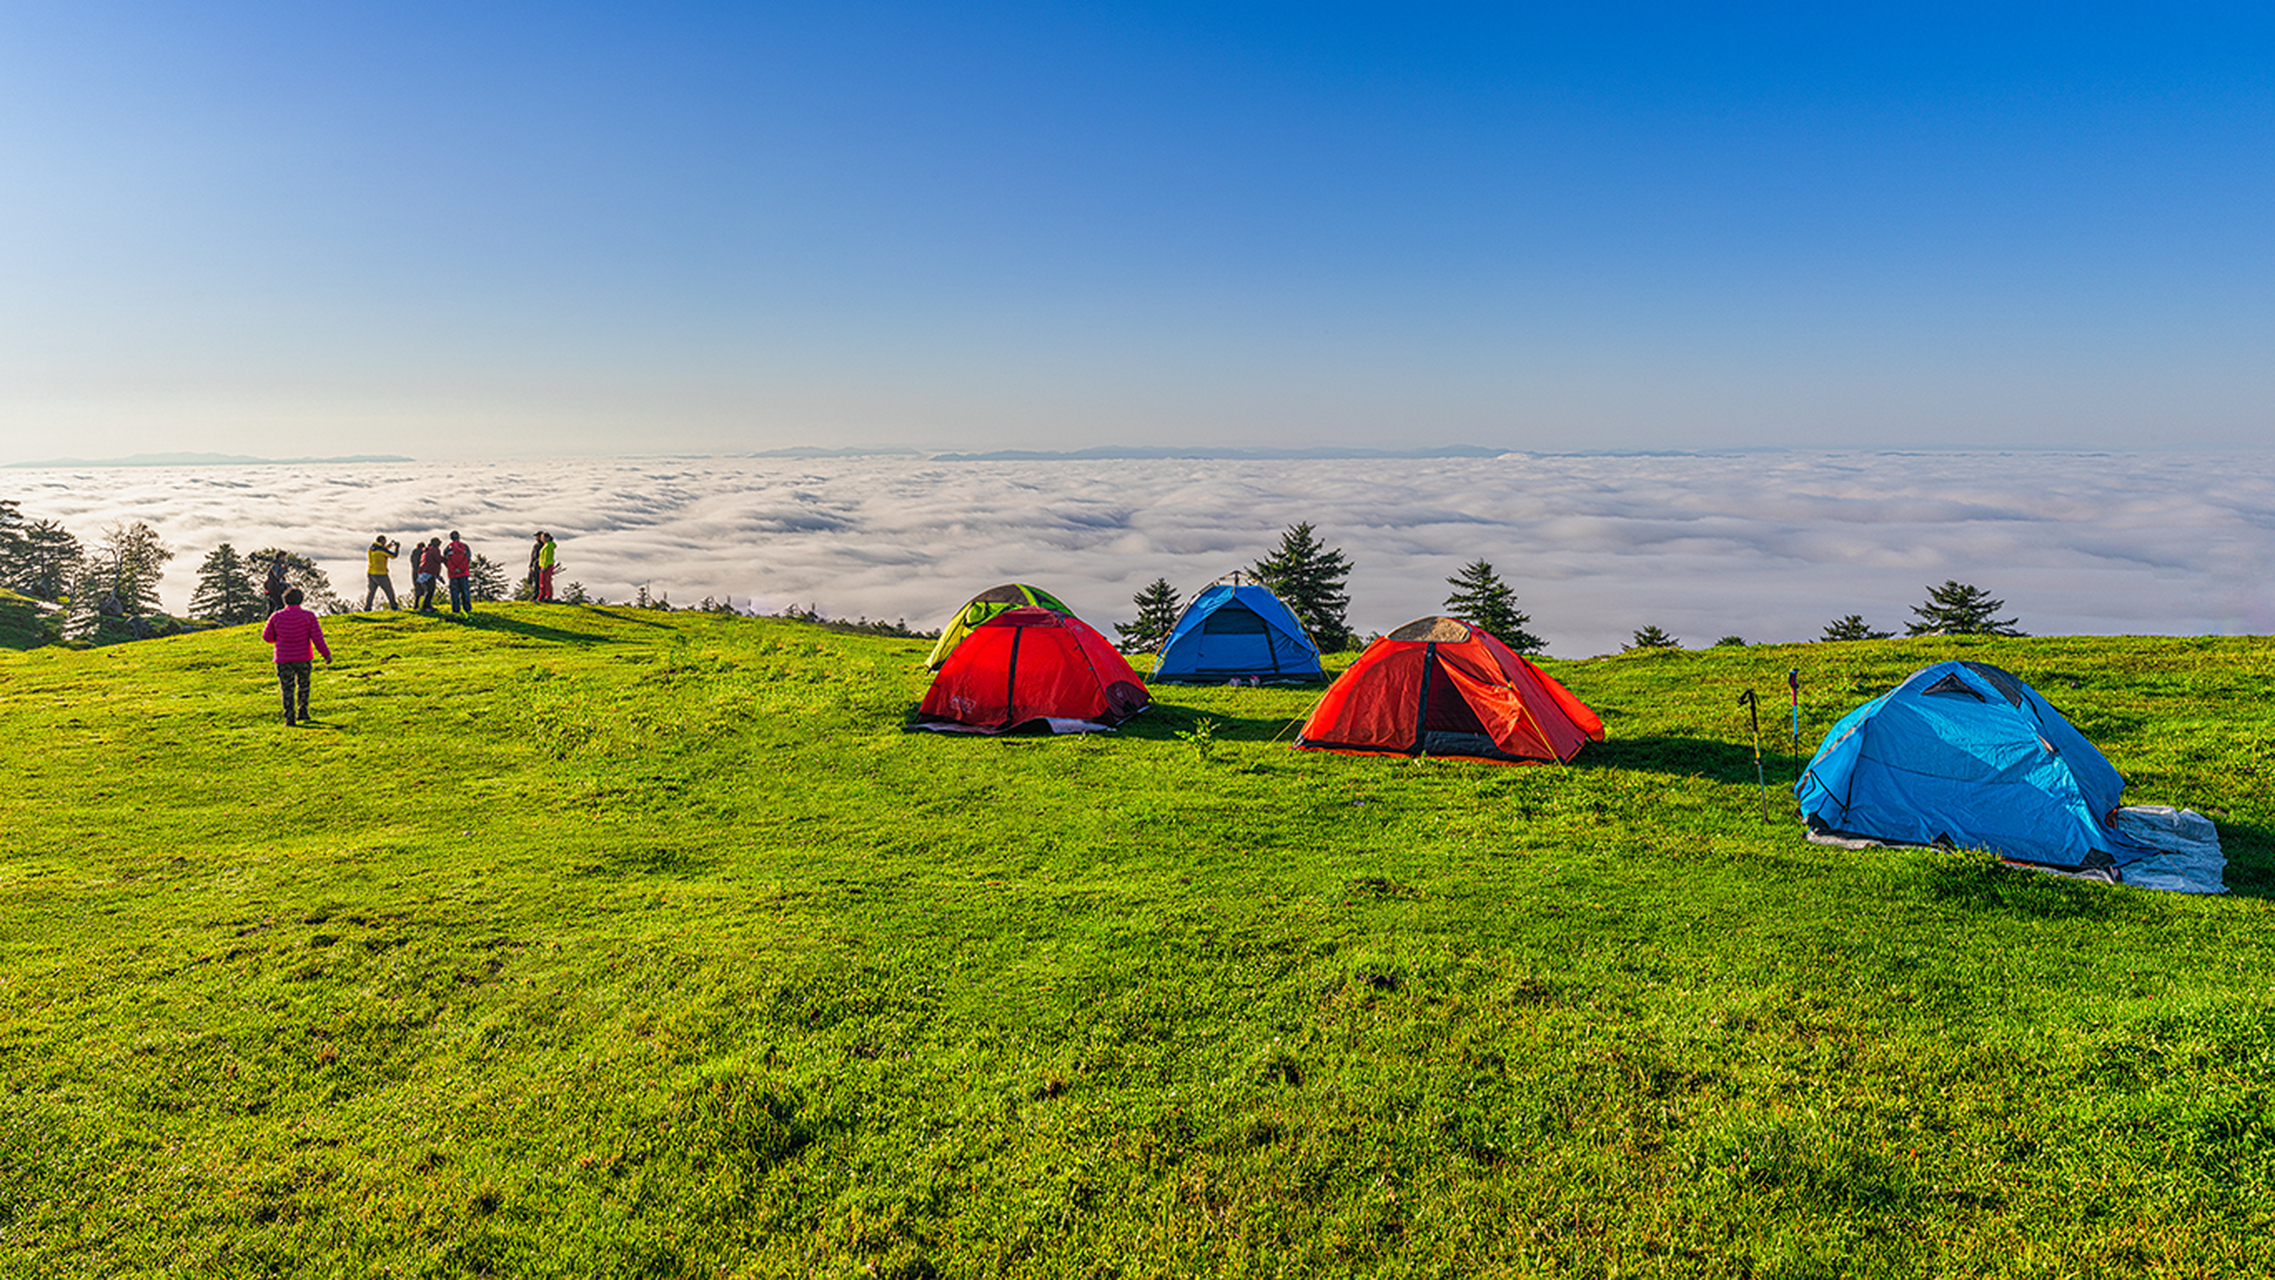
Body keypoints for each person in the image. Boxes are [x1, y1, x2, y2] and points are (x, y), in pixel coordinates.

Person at [261, 586, 331, 726]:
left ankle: (289, 718)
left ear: (284, 601)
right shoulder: (309, 616)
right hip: (303, 657)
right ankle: (303, 712)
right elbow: (317, 638)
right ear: (301, 600)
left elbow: (267, 637)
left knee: (287, 688)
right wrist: (326, 654)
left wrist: (279, 639)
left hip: (283, 658)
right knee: (303, 685)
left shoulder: (276, 616)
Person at [364, 533, 401, 610]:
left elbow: (382, 550)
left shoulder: (371, 548)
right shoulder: (382, 550)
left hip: (371, 573)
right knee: (389, 591)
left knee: (371, 592)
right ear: (382, 541)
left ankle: (367, 608)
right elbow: (393, 555)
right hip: (381, 574)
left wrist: (389, 545)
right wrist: (397, 547)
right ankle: (394, 606)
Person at [444, 531, 474, 614]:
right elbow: (467, 559)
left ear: (450, 538)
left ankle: (455, 609)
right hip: (464, 573)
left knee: (454, 593)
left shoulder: (448, 548)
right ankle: (467, 609)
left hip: (452, 574)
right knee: (465, 592)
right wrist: (461, 568)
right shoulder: (464, 547)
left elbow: (446, 561)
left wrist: (453, 569)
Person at [412, 537, 443, 613]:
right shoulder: (434, 550)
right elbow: (438, 559)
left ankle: (419, 605)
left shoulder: (424, 551)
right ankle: (425, 606)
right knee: (430, 589)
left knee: (422, 589)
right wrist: (447, 560)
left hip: (419, 572)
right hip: (429, 572)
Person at [536, 532, 557, 602]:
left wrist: (544, 566)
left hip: (546, 565)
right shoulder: (548, 545)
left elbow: (546, 557)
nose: (542, 539)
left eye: (543, 537)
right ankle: (548, 595)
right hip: (547, 565)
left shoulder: (547, 546)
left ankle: (543, 596)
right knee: (547, 581)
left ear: (547, 538)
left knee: (544, 581)